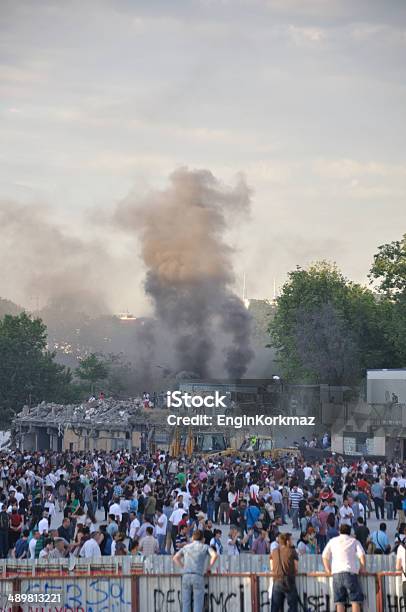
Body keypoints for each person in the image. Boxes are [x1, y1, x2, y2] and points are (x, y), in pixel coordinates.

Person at [322, 524, 365, 612]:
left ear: (339, 531)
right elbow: (362, 555)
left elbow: (324, 556)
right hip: (350, 572)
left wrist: (327, 569)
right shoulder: (354, 541)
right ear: (350, 532)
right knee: (355, 600)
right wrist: (362, 567)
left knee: (339, 601)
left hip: (336, 573)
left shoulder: (332, 541)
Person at [173, 529, 218, 612]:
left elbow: (175, 558)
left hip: (186, 575)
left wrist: (183, 567)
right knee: (198, 604)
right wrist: (209, 567)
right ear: (202, 539)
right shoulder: (205, 547)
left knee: (186, 603)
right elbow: (214, 555)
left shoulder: (186, 547)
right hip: (198, 575)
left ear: (192, 538)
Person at [269, 532, 298, 612]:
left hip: (277, 580)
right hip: (289, 581)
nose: (292, 541)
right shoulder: (292, 551)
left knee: (275, 607)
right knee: (292, 605)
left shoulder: (274, 551)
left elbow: (271, 566)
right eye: (291, 540)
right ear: (287, 541)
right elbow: (296, 568)